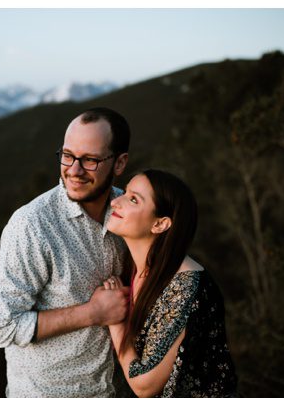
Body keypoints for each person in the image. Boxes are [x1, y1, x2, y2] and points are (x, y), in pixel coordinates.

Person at [0, 107, 133, 397]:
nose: (74, 170)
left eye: (90, 160)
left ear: (119, 163)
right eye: (67, 155)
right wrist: (93, 312)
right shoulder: (32, 225)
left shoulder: (127, 210)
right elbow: (3, 325)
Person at [97, 169, 237, 397]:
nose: (116, 201)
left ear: (160, 224)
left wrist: (116, 324)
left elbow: (145, 385)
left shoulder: (184, 286)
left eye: (133, 199)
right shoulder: (137, 267)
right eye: (124, 193)